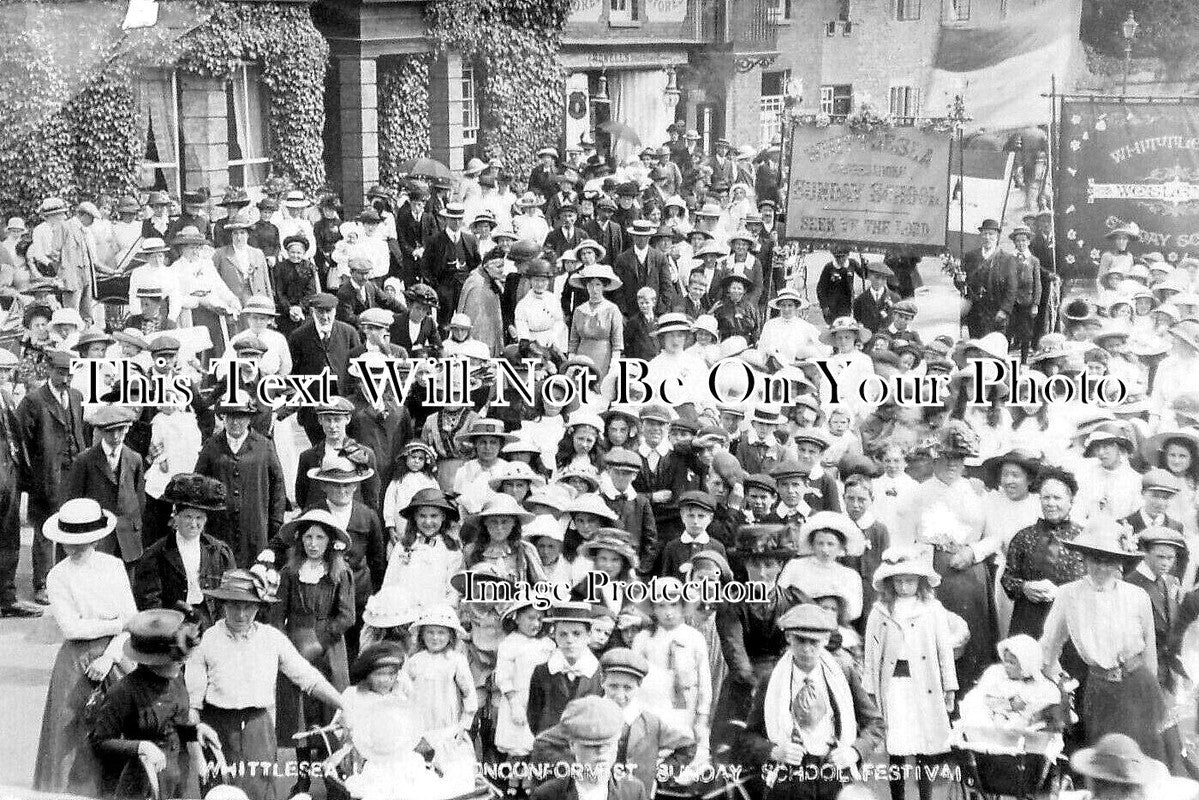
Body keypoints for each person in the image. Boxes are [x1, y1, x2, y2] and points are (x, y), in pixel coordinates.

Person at [186, 568, 345, 800]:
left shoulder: (272, 638)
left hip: (259, 729)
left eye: (248, 606)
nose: (241, 614)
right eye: (233, 605)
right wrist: (196, 753)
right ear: (222, 605)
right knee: (220, 792)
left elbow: (308, 678)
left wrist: (345, 704)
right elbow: (192, 703)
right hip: (217, 729)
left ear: (259, 607)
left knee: (261, 792)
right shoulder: (206, 641)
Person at [33, 499, 139, 795]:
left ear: (97, 538)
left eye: (83, 542)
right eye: (68, 543)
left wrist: (110, 655)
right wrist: (114, 624)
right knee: (70, 733)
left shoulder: (114, 566)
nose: (76, 548)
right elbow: (71, 627)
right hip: (76, 659)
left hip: (117, 655)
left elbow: (131, 619)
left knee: (122, 727)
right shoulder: (58, 576)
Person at [1041, 520, 1165, 761]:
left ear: (1120, 563)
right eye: (1095, 559)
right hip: (1100, 688)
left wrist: (1153, 694)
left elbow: (1149, 651)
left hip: (1137, 685)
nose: (1100, 568)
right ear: (1084, 559)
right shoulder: (1069, 595)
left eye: (1108, 561)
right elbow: (1048, 647)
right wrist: (1060, 682)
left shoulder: (1137, 596)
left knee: (1139, 758)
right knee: (1107, 758)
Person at [738, 603, 884, 800]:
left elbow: (875, 724)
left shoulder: (842, 673)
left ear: (825, 639)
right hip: (788, 780)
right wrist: (773, 751)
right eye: (800, 640)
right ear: (788, 637)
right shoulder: (772, 679)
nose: (807, 649)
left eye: (814, 642)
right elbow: (748, 737)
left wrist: (854, 751)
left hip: (833, 774)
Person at [864, 546, 958, 800]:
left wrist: (949, 684)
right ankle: (898, 795)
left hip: (924, 683)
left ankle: (925, 795)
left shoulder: (932, 608)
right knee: (896, 743)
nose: (905, 586)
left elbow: (944, 649)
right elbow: (871, 653)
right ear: (889, 582)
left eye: (910, 581)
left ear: (921, 582)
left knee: (924, 743)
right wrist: (870, 688)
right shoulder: (880, 611)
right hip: (893, 685)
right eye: (899, 581)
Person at [88, 608, 210, 800]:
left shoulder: (176, 679)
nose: (182, 664)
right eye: (176, 660)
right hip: (141, 783)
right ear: (154, 660)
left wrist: (196, 731)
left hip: (178, 779)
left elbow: (173, 727)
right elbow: (100, 741)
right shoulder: (124, 691)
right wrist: (141, 746)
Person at [19, 348, 88, 605]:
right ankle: (42, 584)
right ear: (49, 370)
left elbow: (79, 431)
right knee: (45, 530)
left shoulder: (77, 396)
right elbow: (23, 441)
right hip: (46, 474)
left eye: (70, 374)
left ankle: (64, 582)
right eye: (61, 373)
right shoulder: (34, 401)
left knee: (70, 528)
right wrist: (31, 477)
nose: (66, 378)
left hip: (73, 472)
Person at [133, 473, 236, 630]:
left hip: (210, 622)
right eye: (188, 516)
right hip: (172, 623)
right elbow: (150, 601)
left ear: (206, 520)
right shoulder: (156, 554)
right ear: (176, 517)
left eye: (199, 518)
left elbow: (229, 595)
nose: (193, 524)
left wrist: (219, 629)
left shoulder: (219, 552)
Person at [194, 399, 286, 567]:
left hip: (255, 527)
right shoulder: (212, 445)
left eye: (241, 417)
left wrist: (276, 522)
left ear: (249, 419)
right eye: (230, 417)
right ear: (223, 418)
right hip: (220, 527)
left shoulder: (264, 445)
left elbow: (278, 485)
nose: (235, 422)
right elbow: (198, 484)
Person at [66, 405, 145, 570]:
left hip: (128, 540)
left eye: (120, 430)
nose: (116, 436)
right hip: (98, 537)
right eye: (110, 431)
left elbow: (139, 498)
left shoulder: (134, 459)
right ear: (100, 431)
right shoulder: (85, 460)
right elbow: (75, 500)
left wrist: (134, 526)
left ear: (127, 429)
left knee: (126, 588)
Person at [529, 696, 650, 800]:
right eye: (591, 746)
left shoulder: (633, 792)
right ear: (572, 745)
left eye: (608, 744)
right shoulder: (548, 795)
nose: (601, 751)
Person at [956, 219, 1019, 339]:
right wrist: (959, 280)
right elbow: (961, 284)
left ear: (997, 236)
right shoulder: (970, 257)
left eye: (991, 234)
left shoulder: (1007, 259)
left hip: (996, 313)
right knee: (975, 349)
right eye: (984, 234)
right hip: (975, 313)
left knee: (995, 349)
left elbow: (1012, 288)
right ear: (981, 235)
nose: (987, 237)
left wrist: (1004, 310)